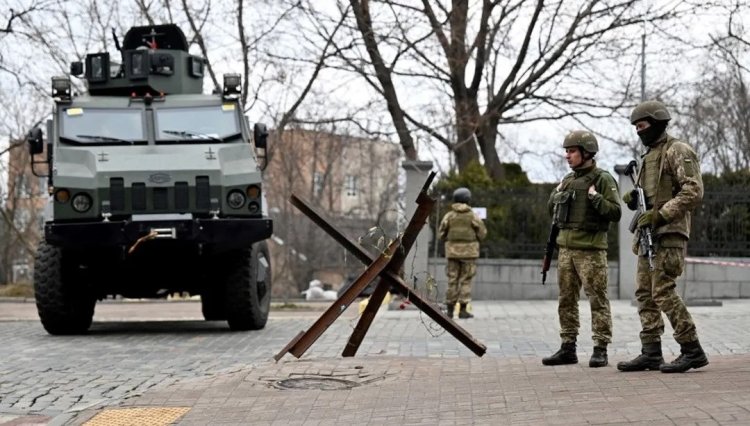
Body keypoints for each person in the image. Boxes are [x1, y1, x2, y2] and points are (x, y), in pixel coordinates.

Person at [617, 100, 708, 373]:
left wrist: (660, 215)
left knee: (663, 292)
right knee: (645, 294)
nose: (638, 132)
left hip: (668, 234)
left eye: (642, 126)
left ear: (656, 123)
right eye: (635, 127)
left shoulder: (677, 150)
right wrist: (635, 199)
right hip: (649, 235)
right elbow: (650, 196)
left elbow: (693, 190)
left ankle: (692, 348)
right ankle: (651, 352)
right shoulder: (648, 156)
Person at [542, 130, 621, 368]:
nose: (567, 156)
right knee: (566, 299)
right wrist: (556, 193)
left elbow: (615, 212)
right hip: (566, 249)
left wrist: (596, 198)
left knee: (597, 299)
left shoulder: (602, 179)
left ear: (586, 152)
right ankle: (568, 347)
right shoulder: (567, 180)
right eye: (566, 151)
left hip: (591, 251)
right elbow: (551, 213)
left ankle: (600, 348)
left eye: (572, 151)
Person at [438, 187, 487, 319]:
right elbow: (482, 233)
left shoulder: (449, 216)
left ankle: (449, 310)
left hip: (453, 253)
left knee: (452, 280)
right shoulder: (473, 216)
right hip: (469, 254)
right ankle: (463, 310)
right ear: (468, 199)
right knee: (465, 281)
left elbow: (441, 234)